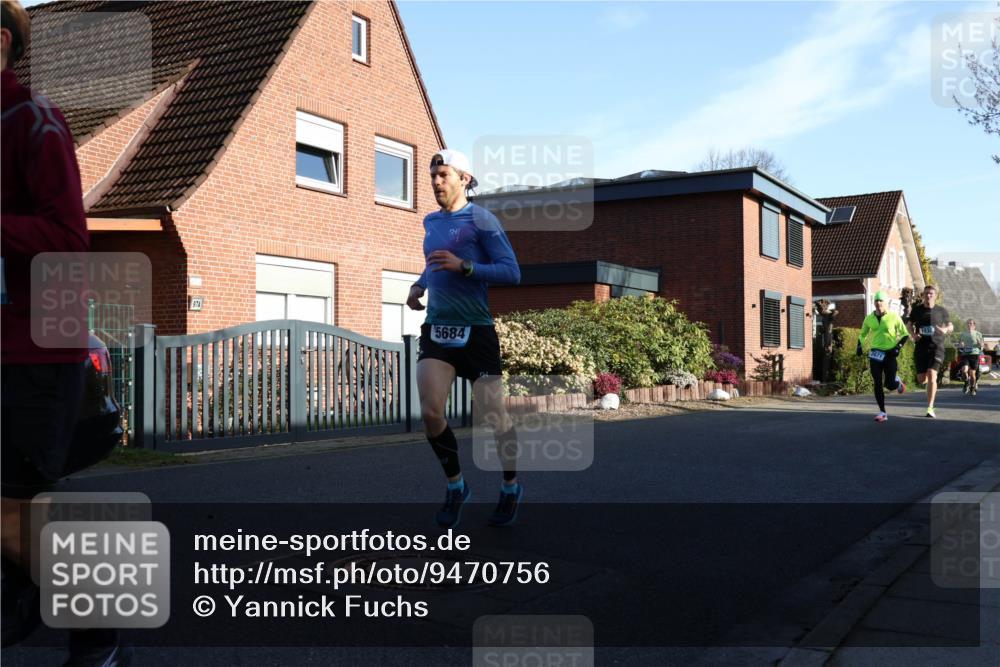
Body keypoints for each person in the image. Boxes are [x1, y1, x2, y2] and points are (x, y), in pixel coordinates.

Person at [1, 2, 131, 664]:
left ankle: (101, 627)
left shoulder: (33, 120)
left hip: (28, 355)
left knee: (6, 512)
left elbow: (66, 239)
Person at [406, 149, 523, 528]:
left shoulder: (482, 219)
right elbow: (433, 263)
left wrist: (466, 266)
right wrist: (418, 286)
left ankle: (510, 486)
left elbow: (511, 272)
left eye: (443, 175)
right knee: (430, 411)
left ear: (464, 179)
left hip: (477, 331)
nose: (436, 182)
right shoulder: (429, 221)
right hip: (438, 329)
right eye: (433, 176)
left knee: (494, 416)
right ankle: (456, 486)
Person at [856, 291, 908, 422]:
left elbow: (905, 334)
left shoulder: (894, 317)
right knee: (877, 382)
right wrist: (859, 346)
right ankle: (882, 412)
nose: (879, 304)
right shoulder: (869, 318)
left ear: (886, 303)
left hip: (890, 353)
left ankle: (897, 382)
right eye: (876, 301)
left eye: (881, 301)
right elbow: (862, 334)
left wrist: (898, 347)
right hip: (875, 354)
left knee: (889, 385)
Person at [906, 284, 953, 418]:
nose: (928, 296)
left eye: (931, 293)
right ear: (923, 295)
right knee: (921, 379)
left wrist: (945, 329)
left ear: (935, 296)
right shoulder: (917, 310)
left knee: (932, 374)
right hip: (921, 348)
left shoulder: (941, 311)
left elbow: (950, 325)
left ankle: (930, 407)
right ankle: (926, 382)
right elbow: (909, 325)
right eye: (926, 293)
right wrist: (913, 335)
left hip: (936, 347)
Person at [957, 319, 985, 396]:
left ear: (974, 326)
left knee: (972, 374)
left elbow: (982, 345)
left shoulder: (978, 334)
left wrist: (980, 344)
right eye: (969, 323)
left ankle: (972, 387)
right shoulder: (963, 334)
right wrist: (961, 345)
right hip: (965, 354)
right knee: (964, 370)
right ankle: (966, 383)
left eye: (972, 324)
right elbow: (960, 343)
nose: (970, 325)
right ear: (967, 325)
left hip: (974, 354)